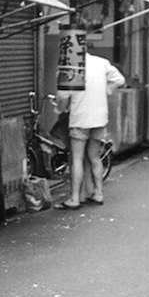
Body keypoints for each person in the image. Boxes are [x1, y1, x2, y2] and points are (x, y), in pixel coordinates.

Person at [55, 51, 125, 209]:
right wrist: (107, 90)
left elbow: (62, 96)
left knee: (77, 158)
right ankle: (98, 194)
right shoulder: (101, 62)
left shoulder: (69, 67)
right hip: (99, 118)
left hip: (80, 117)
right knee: (94, 157)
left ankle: (74, 198)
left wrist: (61, 109)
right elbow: (120, 80)